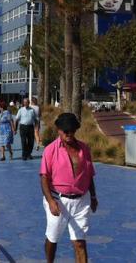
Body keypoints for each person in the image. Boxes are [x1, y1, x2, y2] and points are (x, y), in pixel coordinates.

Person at [40, 113, 97, 263]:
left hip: (81, 201)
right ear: (58, 130)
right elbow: (44, 177)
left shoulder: (84, 149)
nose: (68, 133)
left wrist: (93, 196)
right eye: (65, 130)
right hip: (58, 200)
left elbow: (89, 174)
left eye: (71, 130)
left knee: (79, 242)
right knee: (53, 237)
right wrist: (51, 201)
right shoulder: (50, 150)